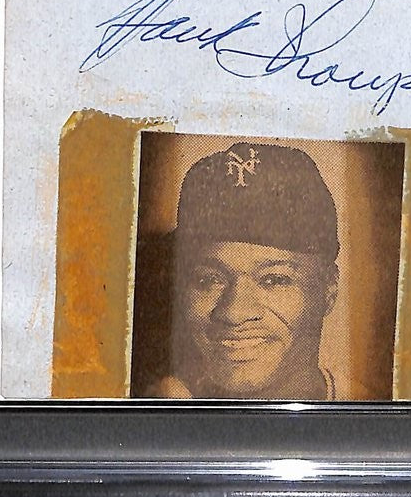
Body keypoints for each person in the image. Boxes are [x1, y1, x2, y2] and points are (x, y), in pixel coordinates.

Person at [148, 141, 348, 400]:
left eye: (273, 279)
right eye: (209, 279)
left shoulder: (369, 409)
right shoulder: (161, 407)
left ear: (328, 291)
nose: (234, 313)